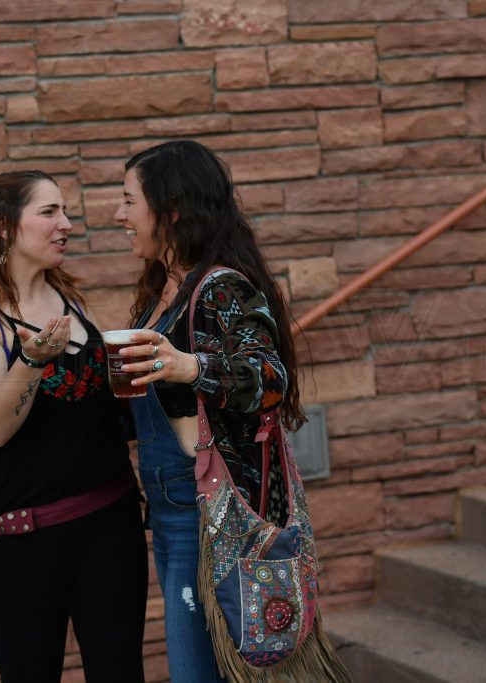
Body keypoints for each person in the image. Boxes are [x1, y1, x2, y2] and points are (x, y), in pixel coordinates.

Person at [113, 141, 336, 683]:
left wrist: (189, 366)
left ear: (171, 210)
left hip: (205, 512)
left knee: (198, 671)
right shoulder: (162, 292)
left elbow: (270, 379)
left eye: (128, 201)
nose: (118, 214)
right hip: (168, 507)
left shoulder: (220, 286)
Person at [0, 170, 147, 683]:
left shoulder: (68, 298)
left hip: (110, 522)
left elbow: (91, 411)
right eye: (49, 212)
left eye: (66, 212)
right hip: (23, 540)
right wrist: (30, 363)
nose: (67, 224)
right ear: (3, 226)